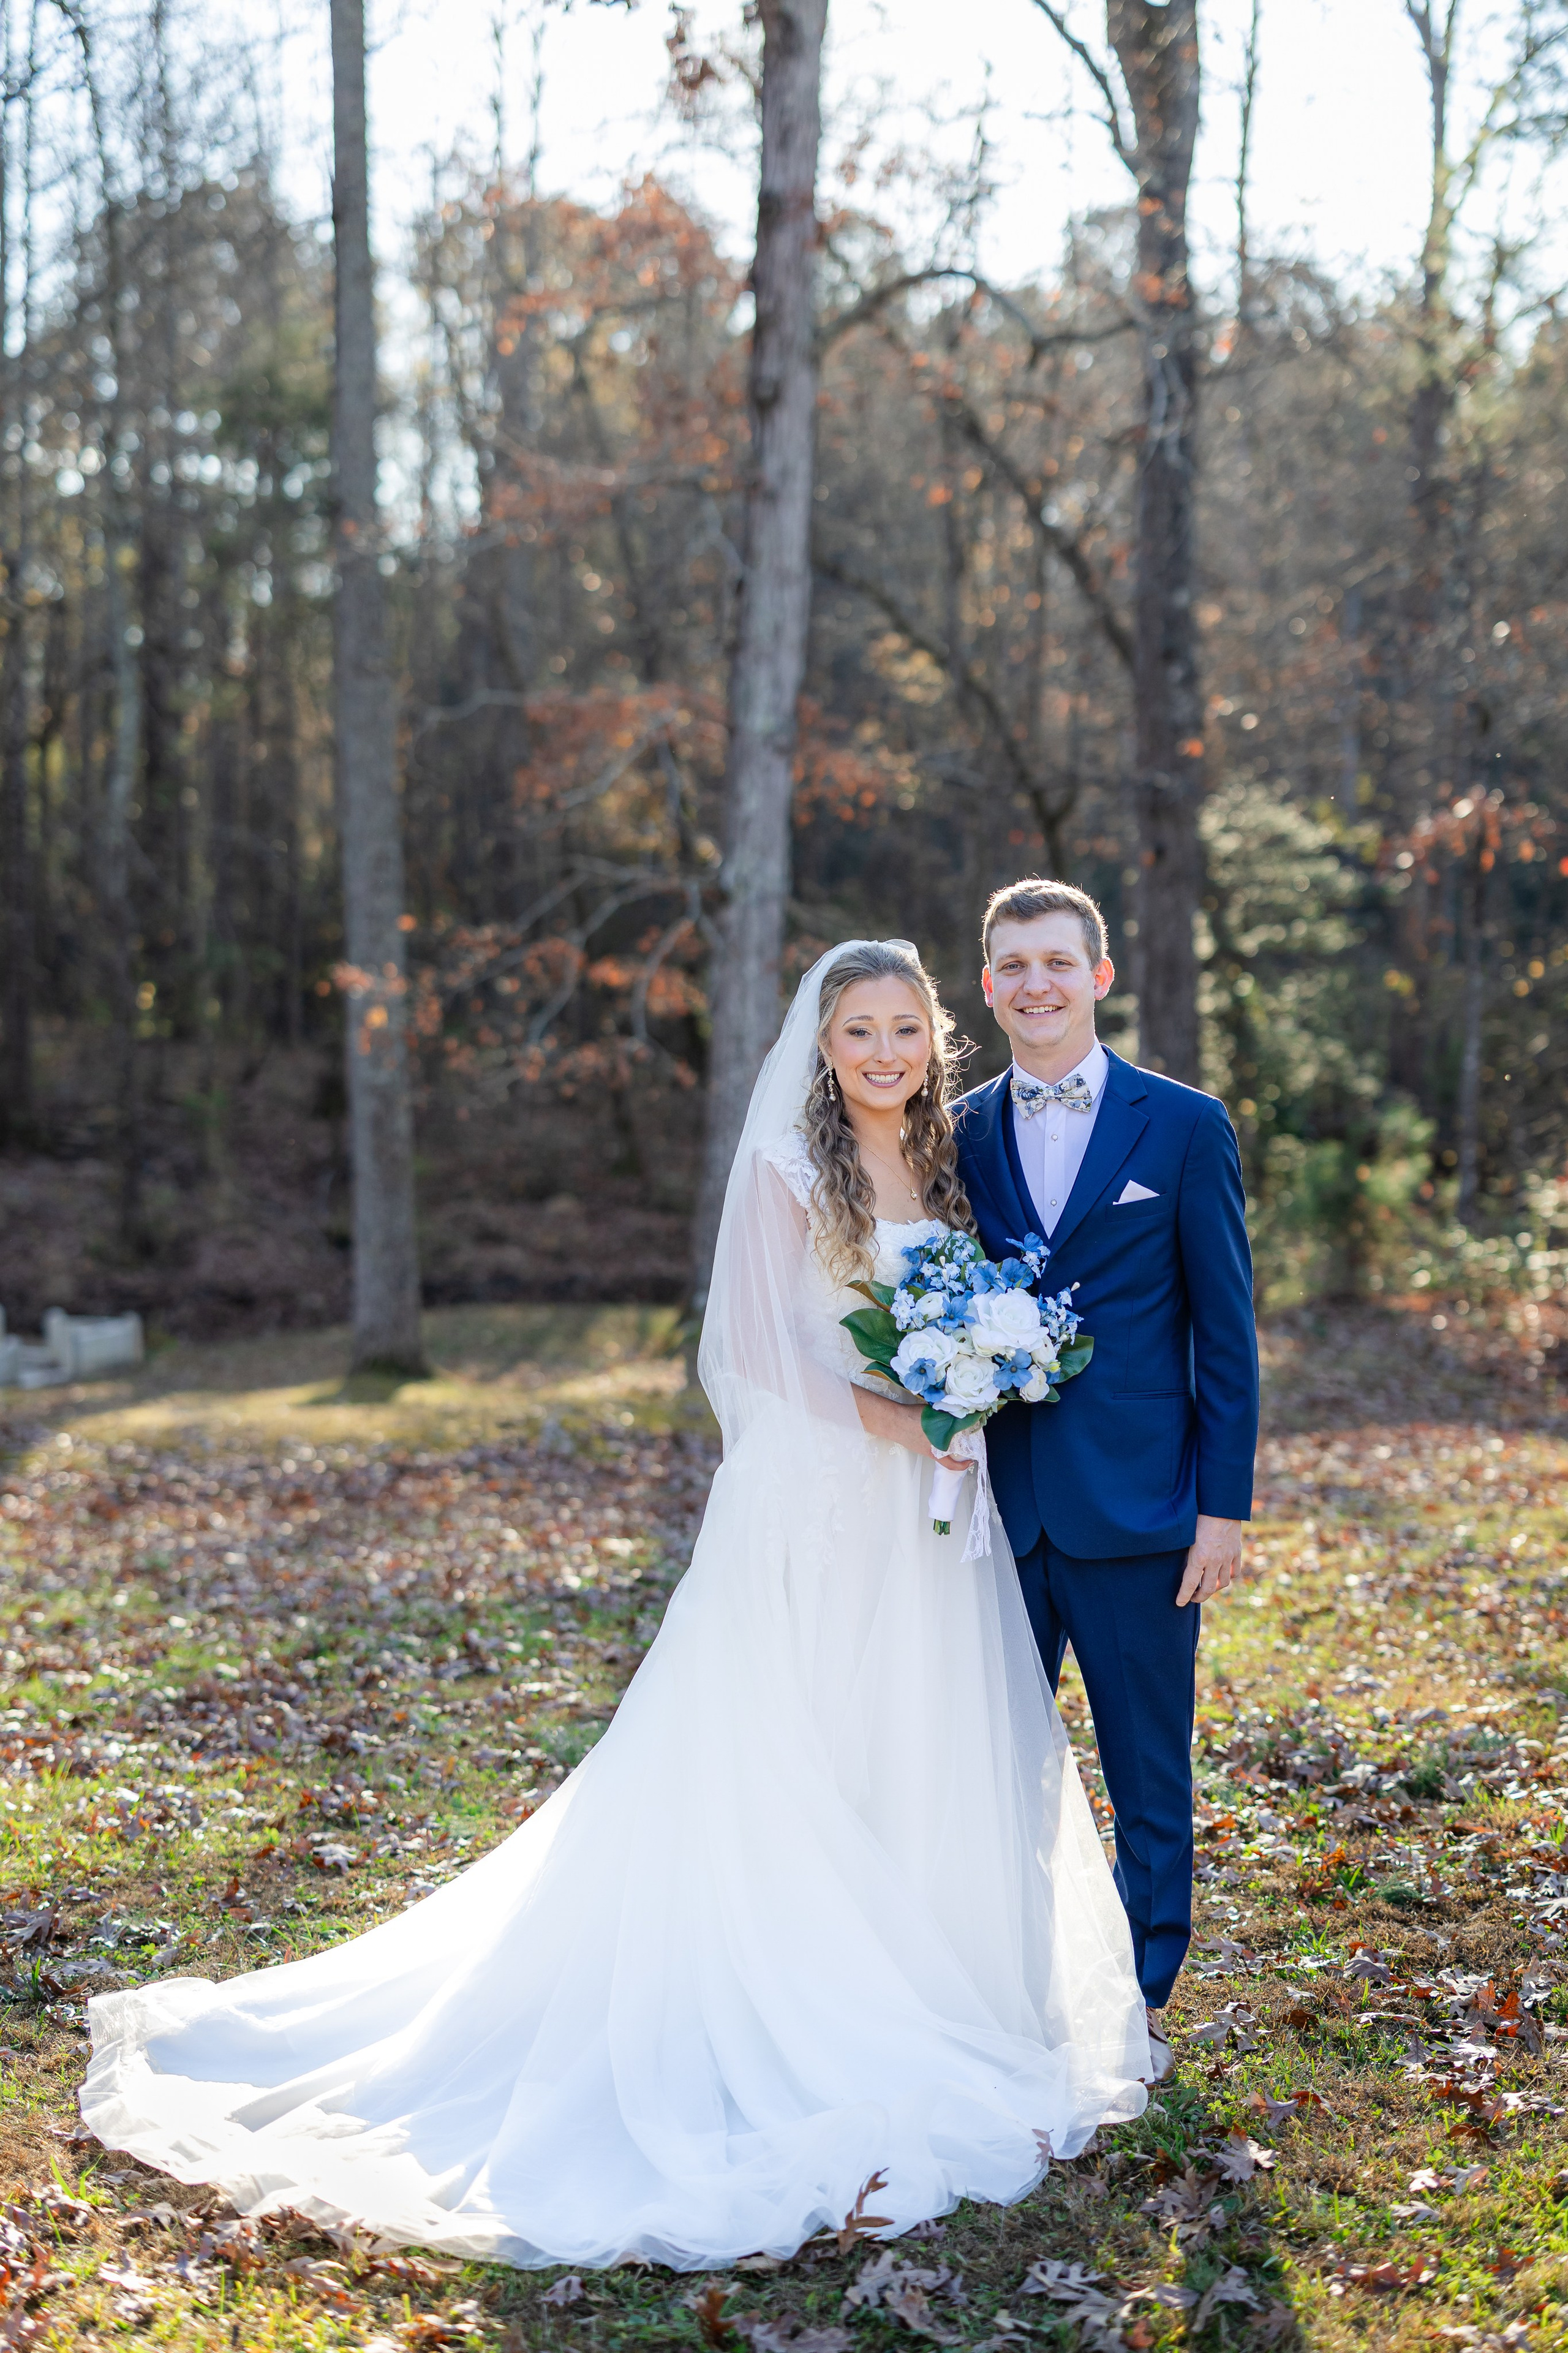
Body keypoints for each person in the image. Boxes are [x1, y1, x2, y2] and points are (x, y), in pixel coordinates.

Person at [80, 939, 1150, 2271]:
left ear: (933, 1040)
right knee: (785, 1738)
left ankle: (921, 1977)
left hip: (926, 1510)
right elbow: (757, 1350)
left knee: (908, 1731)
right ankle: (773, 1997)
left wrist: (968, 1387)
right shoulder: (786, 1168)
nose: (880, 1053)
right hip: (819, 1492)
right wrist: (906, 1411)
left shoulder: (943, 1165)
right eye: (856, 1031)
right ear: (821, 1047)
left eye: (900, 1031)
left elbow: (969, 1307)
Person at [951, 881, 1259, 2080]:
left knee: (1147, 1773)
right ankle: (1009, 1989)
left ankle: (1135, 2003)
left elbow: (1223, 1333)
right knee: (991, 1768)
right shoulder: (957, 1127)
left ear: (1098, 975)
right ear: (987, 986)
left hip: (1140, 1511)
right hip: (996, 1508)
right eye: (1012, 964)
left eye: (1055, 962)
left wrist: (1220, 1508)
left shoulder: (1182, 1126)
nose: (1034, 983)